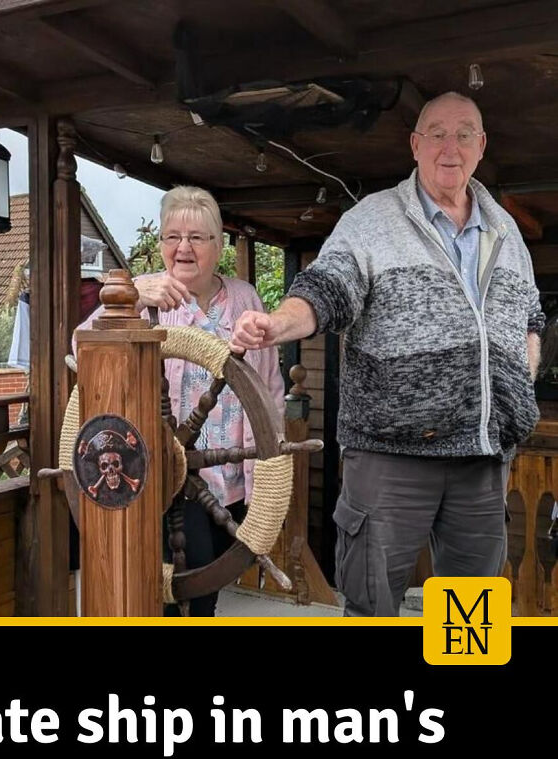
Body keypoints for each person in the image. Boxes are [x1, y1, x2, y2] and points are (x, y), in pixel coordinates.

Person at [230, 91, 544, 617]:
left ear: (482, 145)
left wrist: (519, 384)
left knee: (472, 614)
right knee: (372, 603)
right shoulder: (373, 219)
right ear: (415, 145)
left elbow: (531, 318)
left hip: (483, 458)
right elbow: (329, 287)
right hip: (391, 457)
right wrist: (278, 324)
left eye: (464, 133)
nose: (451, 146)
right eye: (437, 133)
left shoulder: (507, 231)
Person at [75, 185, 285, 616]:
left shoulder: (244, 299)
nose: (183, 248)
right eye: (172, 236)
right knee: (185, 588)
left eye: (197, 237)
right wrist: (131, 294)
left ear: (218, 246)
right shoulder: (144, 299)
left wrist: (270, 473)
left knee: (211, 582)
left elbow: (268, 390)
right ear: (161, 245)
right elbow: (82, 349)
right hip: (167, 475)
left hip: (235, 477)